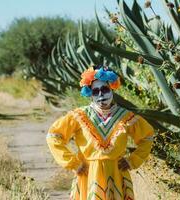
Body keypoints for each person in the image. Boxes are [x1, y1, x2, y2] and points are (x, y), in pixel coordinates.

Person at [46, 65, 155, 200]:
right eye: (95, 91)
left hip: (117, 174)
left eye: (104, 89)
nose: (100, 95)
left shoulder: (125, 116)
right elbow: (53, 136)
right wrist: (73, 163)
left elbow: (147, 136)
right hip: (88, 175)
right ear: (89, 93)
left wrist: (133, 160)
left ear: (112, 89)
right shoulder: (80, 116)